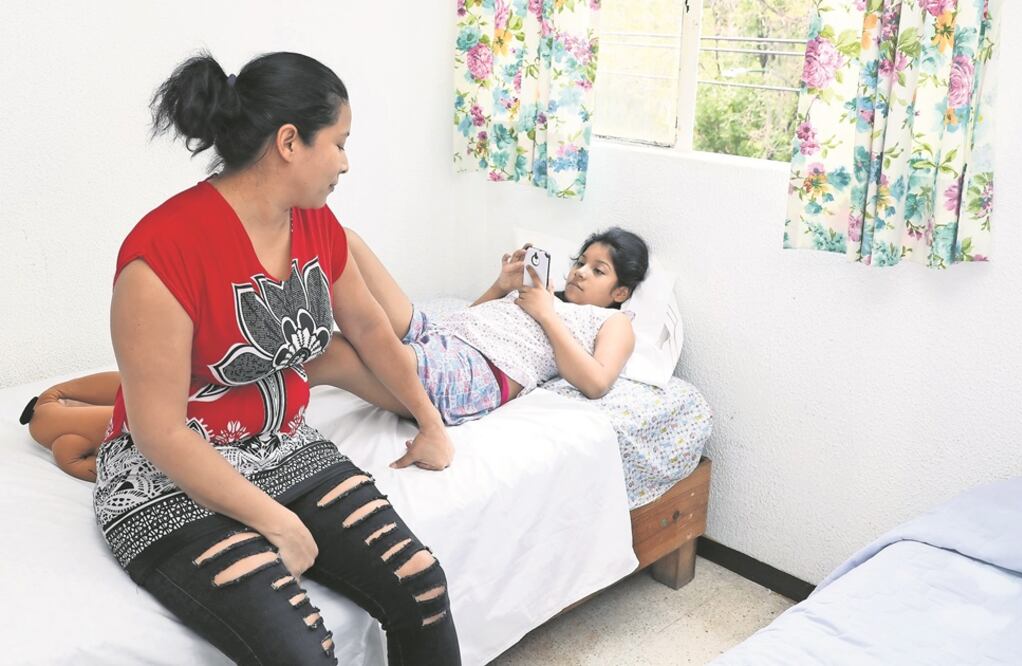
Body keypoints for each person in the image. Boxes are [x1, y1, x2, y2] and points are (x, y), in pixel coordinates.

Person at [93, 51, 461, 665]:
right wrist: (280, 524)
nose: (346, 161)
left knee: (422, 587)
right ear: (290, 142)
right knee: (305, 652)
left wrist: (430, 422)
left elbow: (370, 329)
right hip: (165, 482)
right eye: (339, 143)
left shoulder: (317, 224)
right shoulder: (162, 253)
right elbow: (158, 432)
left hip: (283, 447)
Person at [306, 226, 650, 424]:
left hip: (475, 373)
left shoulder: (612, 320)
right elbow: (470, 320)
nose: (580, 271)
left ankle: (262, 401)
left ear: (620, 291)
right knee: (343, 239)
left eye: (598, 270)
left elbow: (596, 383)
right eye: (581, 262)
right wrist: (501, 286)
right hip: (442, 337)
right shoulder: (543, 293)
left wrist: (546, 314)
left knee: (331, 351)